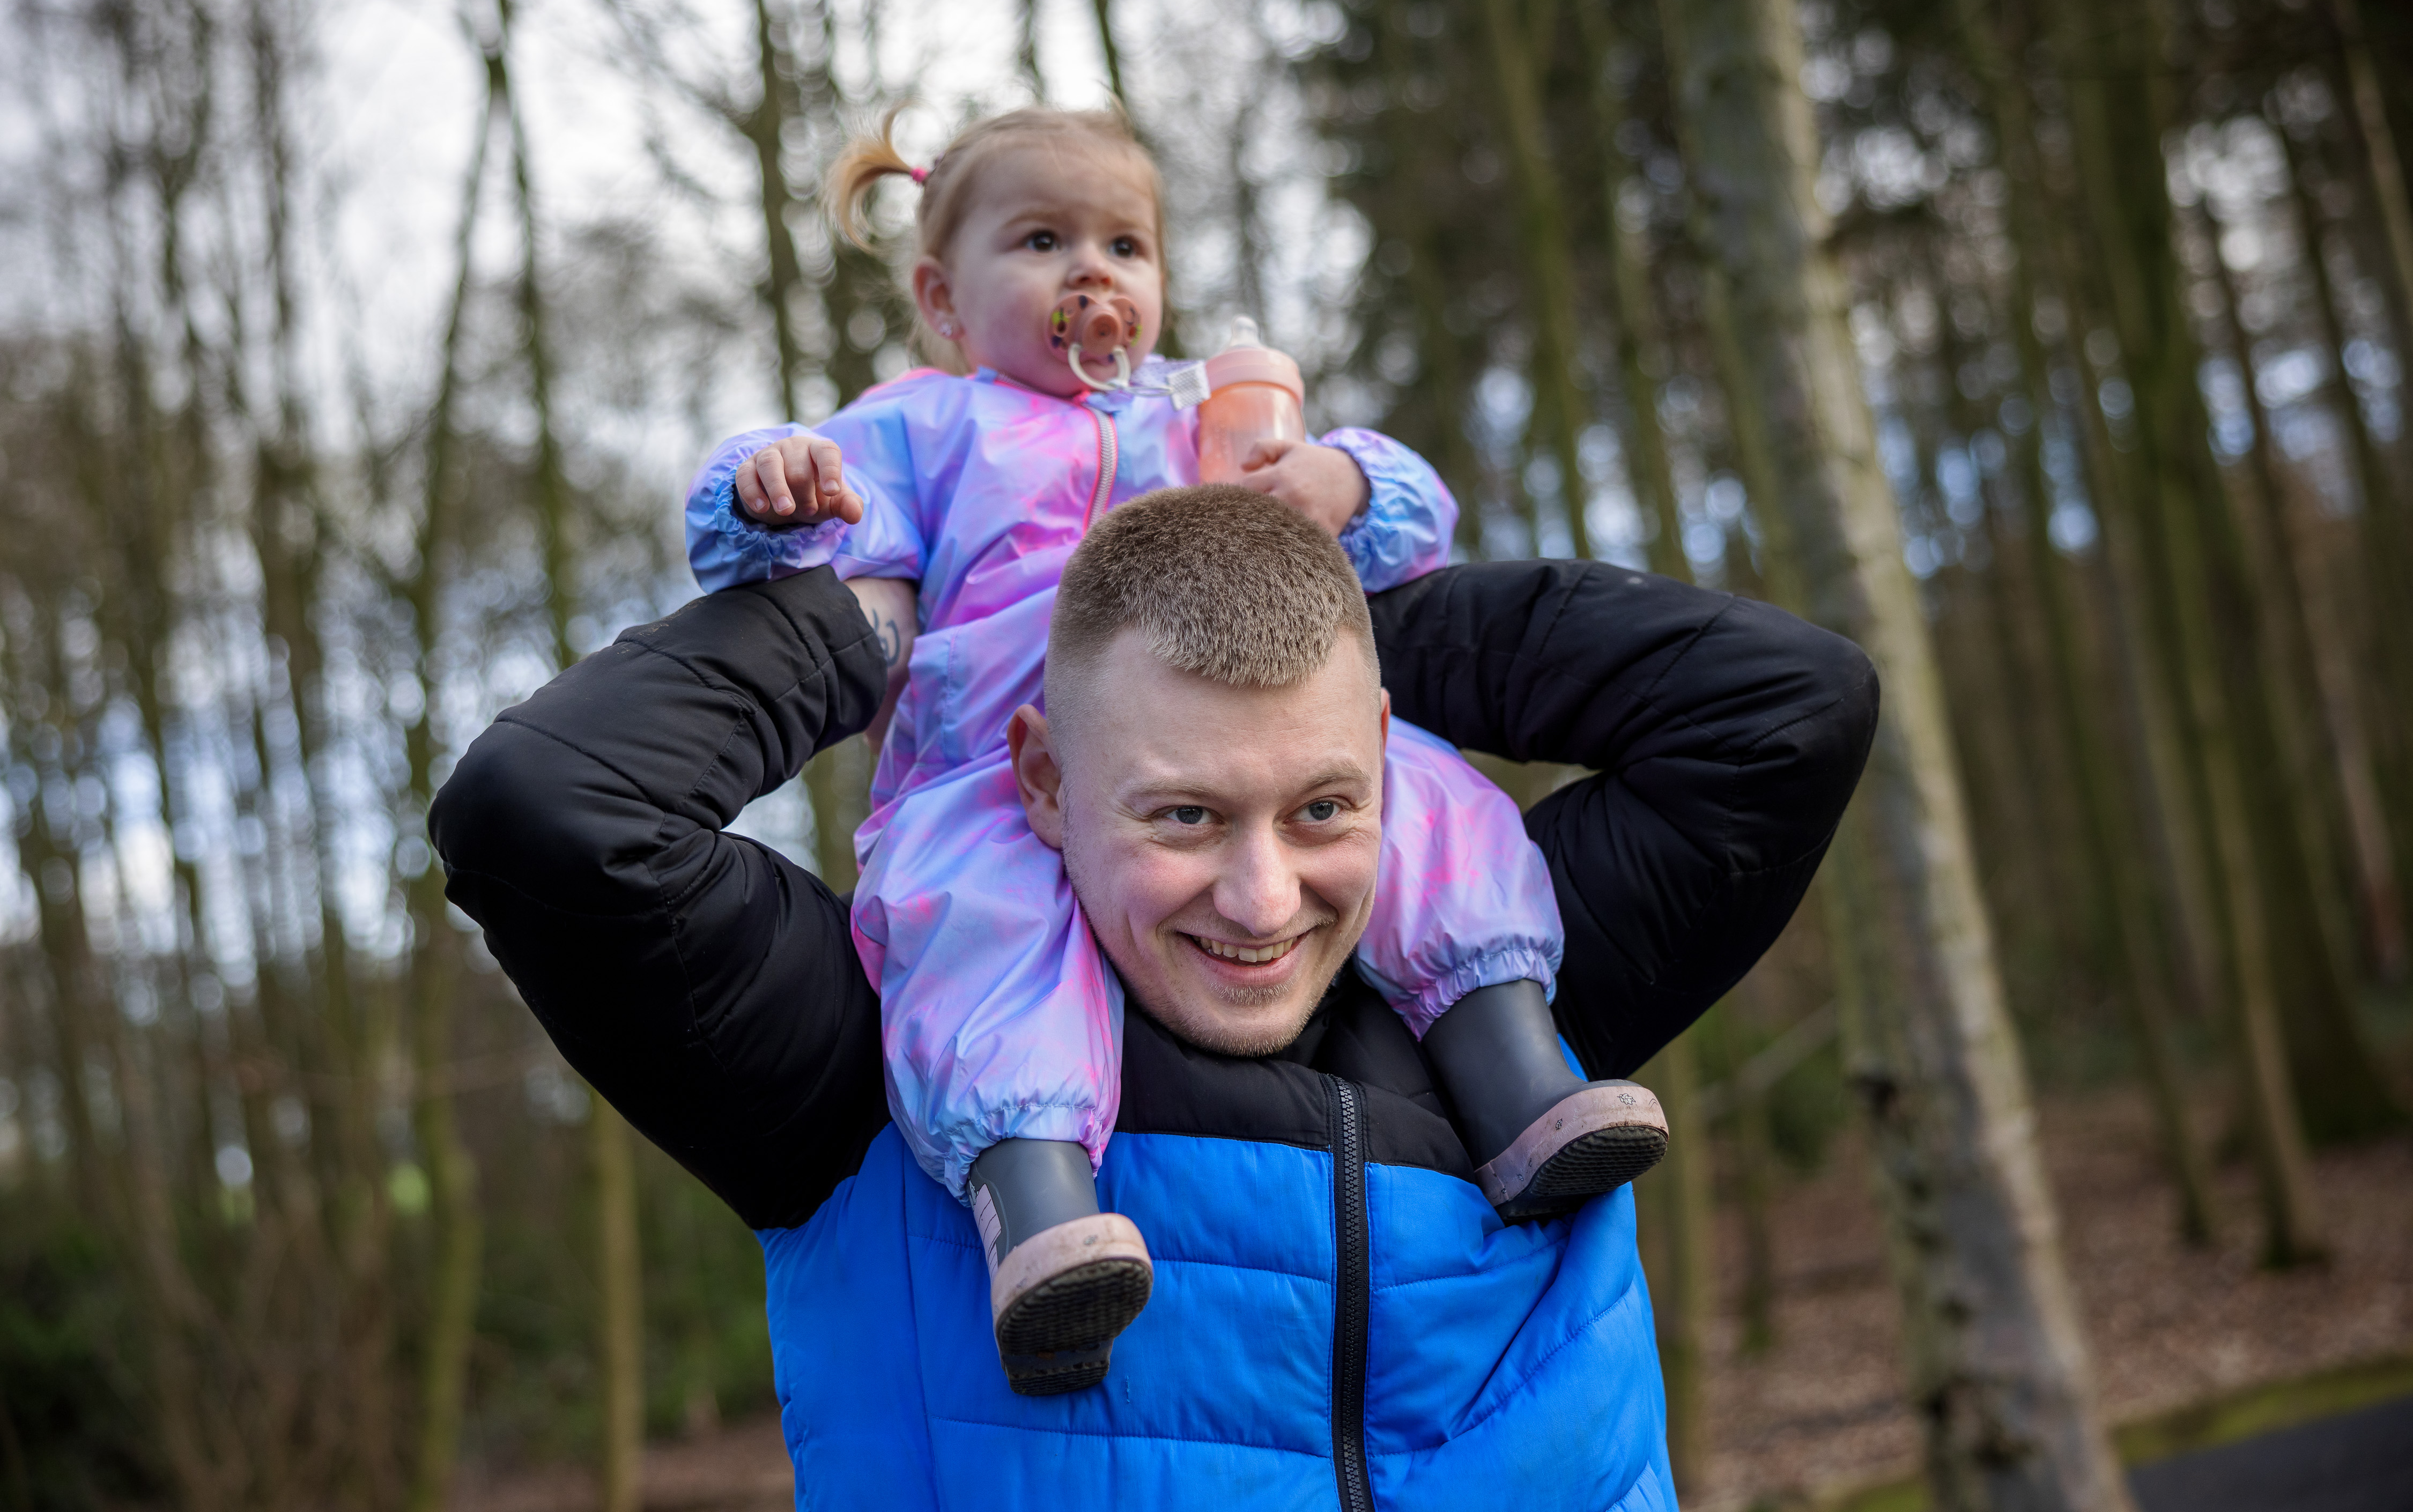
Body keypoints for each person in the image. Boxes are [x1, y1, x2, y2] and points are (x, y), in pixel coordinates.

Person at [430, 486, 1877, 1508]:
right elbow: (548, 809)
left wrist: (1349, 608)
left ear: (1382, 751)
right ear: (1043, 780)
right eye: (1182, 818)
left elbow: (1787, 703)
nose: (1261, 901)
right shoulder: (870, 1069)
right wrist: (879, 624)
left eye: (1322, 805)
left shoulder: (1509, 1007)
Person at [678, 105, 1663, 1392]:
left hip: (1230, 742)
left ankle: (1514, 1068)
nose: (1094, 273)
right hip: (996, 765)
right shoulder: (925, 426)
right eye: (1042, 241)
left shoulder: (1192, 418)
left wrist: (1345, 486)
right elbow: (781, 530)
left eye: (1125, 244)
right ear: (944, 297)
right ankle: (1037, 1205)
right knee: (977, 928)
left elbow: (1409, 521)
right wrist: (775, 481)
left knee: (1418, 792)